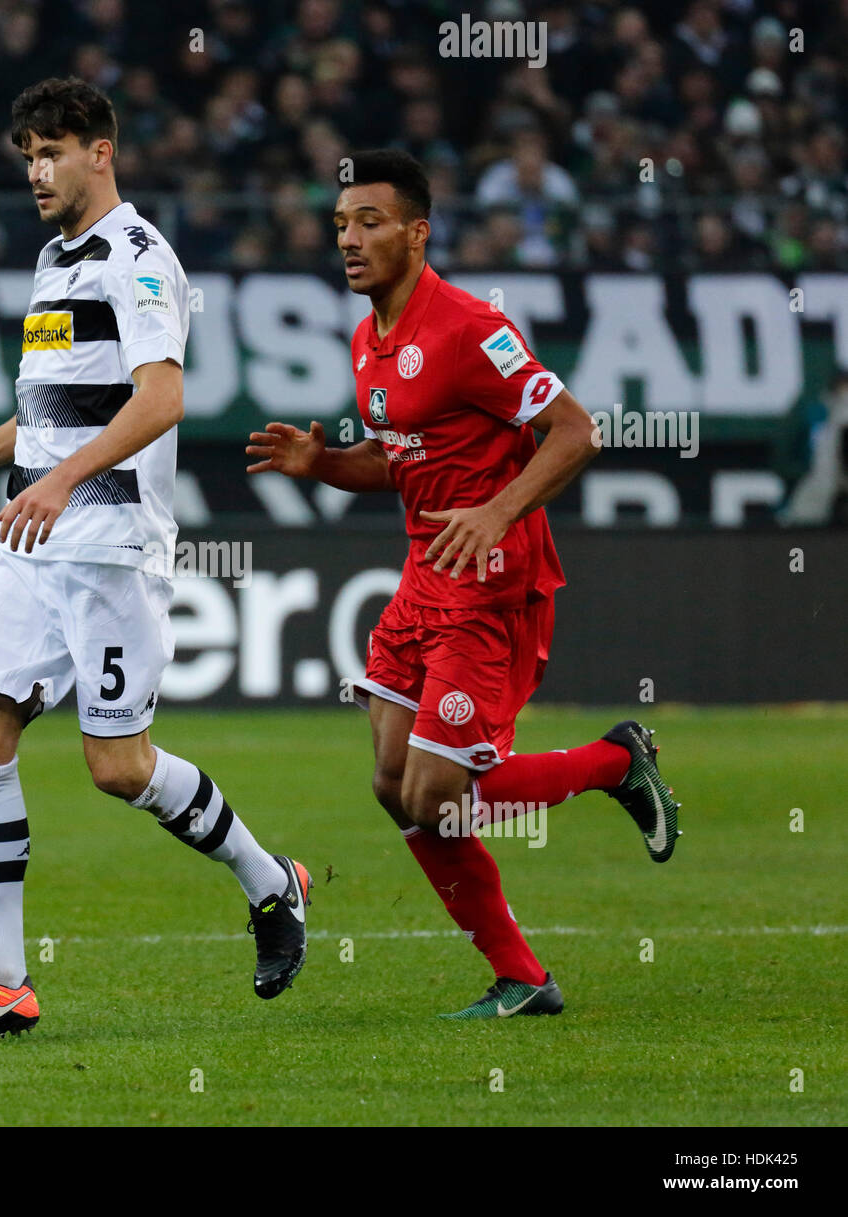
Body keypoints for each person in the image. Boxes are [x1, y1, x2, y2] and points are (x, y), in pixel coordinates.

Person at [0, 77, 311, 1043]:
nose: (37, 172)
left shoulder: (139, 260)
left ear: (102, 151)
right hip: (30, 539)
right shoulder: (56, 260)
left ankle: (272, 881)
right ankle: (5, 983)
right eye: (27, 155)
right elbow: (56, 406)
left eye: (53, 151)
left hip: (109, 547)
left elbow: (160, 399)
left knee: (117, 766)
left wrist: (60, 483)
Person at [247, 149, 681, 1020]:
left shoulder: (471, 328)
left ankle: (612, 762)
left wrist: (500, 510)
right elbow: (398, 461)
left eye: (370, 222)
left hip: (491, 586)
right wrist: (322, 462)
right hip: (423, 580)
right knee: (390, 783)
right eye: (339, 224)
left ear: (418, 231)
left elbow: (576, 431)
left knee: (436, 794)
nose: (350, 239)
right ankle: (524, 979)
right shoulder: (369, 337)